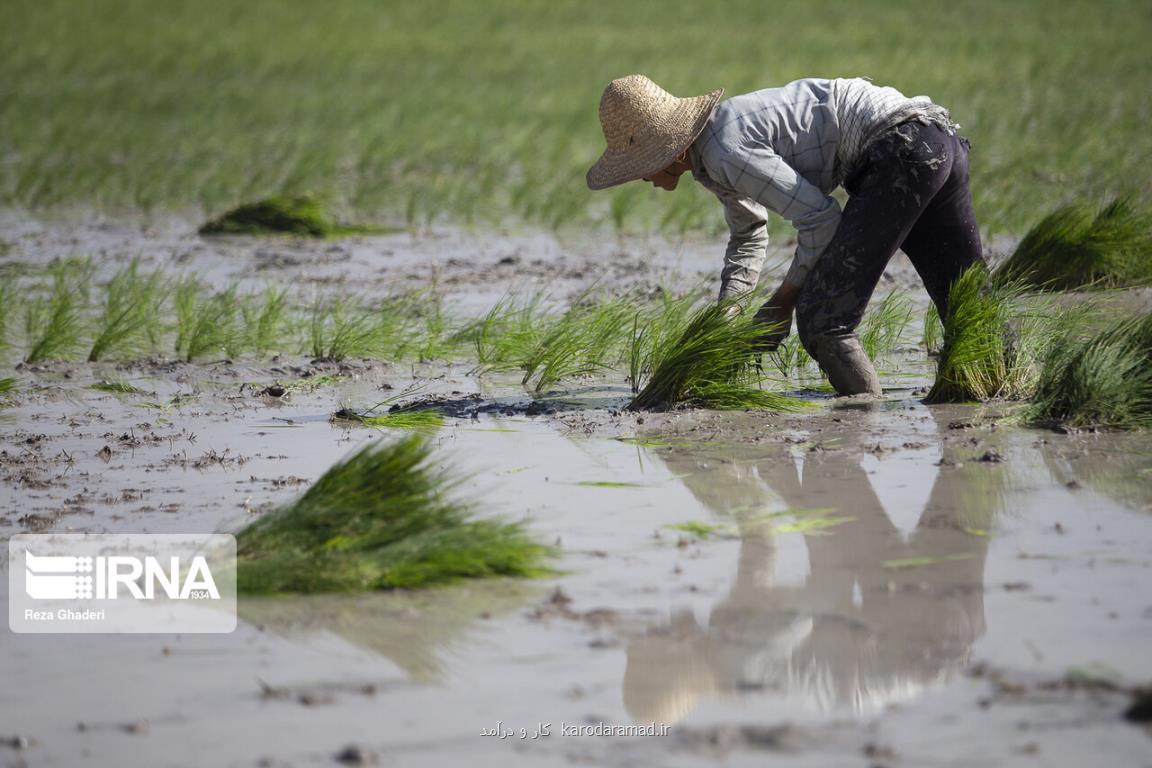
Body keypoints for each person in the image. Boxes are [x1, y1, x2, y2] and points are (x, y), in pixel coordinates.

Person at [586, 75, 984, 395]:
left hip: (900, 151)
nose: (640, 177)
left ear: (669, 153)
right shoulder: (712, 150)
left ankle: (862, 431)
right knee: (968, 304)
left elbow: (822, 220)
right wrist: (728, 315)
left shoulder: (723, 150)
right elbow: (749, 232)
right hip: (934, 139)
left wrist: (782, 303)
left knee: (823, 320)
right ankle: (997, 393)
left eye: (639, 166)